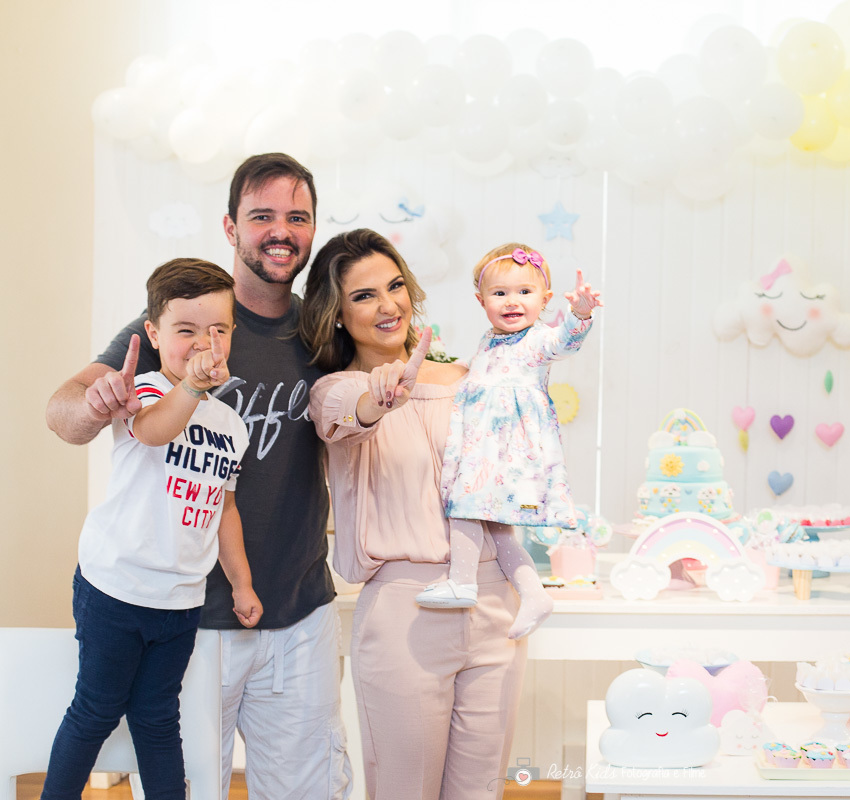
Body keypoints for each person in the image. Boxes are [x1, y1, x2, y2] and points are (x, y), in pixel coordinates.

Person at [45, 153, 351, 799]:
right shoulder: (175, 326)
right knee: (183, 769)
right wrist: (96, 404)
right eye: (261, 214)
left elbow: (233, 497)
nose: (279, 230)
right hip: (187, 615)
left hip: (299, 614)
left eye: (297, 217)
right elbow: (65, 414)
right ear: (231, 226)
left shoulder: (323, 330)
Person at [301, 229, 527, 800]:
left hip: (495, 603)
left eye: (395, 286)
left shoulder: (466, 378)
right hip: (406, 616)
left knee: (481, 791)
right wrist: (381, 394)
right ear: (336, 315)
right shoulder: (337, 390)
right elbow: (351, 413)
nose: (388, 305)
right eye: (364, 296)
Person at [41, 260, 258, 800]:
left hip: (180, 599)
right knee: (95, 709)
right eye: (186, 330)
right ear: (155, 335)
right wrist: (189, 385)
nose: (204, 342)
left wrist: (243, 583)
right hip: (116, 587)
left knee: (158, 719)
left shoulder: (230, 423)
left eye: (219, 329)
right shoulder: (144, 390)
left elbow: (223, 508)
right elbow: (157, 432)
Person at [428, 243, 601, 640]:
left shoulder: (538, 341)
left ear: (545, 299)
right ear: (481, 300)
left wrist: (581, 314)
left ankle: (462, 582)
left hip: (509, 451)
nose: (512, 302)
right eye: (500, 293)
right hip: (483, 446)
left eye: (524, 292)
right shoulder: (489, 340)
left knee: (466, 506)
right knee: (499, 530)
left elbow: (566, 342)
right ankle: (533, 593)